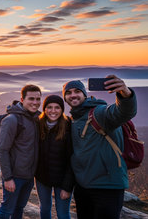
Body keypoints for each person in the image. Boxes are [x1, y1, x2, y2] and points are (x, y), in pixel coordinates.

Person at [63, 76, 137, 219]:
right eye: (68, 92)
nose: (73, 95)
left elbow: (123, 112)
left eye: (77, 91)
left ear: (84, 94)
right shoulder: (73, 120)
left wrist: (125, 94)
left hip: (107, 186)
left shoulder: (99, 113)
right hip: (83, 187)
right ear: (65, 97)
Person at [0, 84, 41, 219]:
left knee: (19, 208)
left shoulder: (36, 118)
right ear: (22, 100)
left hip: (29, 176)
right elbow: (2, 150)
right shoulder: (11, 120)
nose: (35, 102)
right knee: (7, 209)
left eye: (38, 99)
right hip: (14, 176)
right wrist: (8, 178)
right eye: (31, 99)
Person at [35, 95, 74, 219]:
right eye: (49, 107)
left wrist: (67, 187)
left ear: (62, 109)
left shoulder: (68, 126)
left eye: (57, 107)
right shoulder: (38, 124)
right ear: (44, 109)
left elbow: (72, 159)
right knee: (45, 209)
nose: (53, 111)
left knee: (62, 213)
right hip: (42, 178)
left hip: (62, 180)